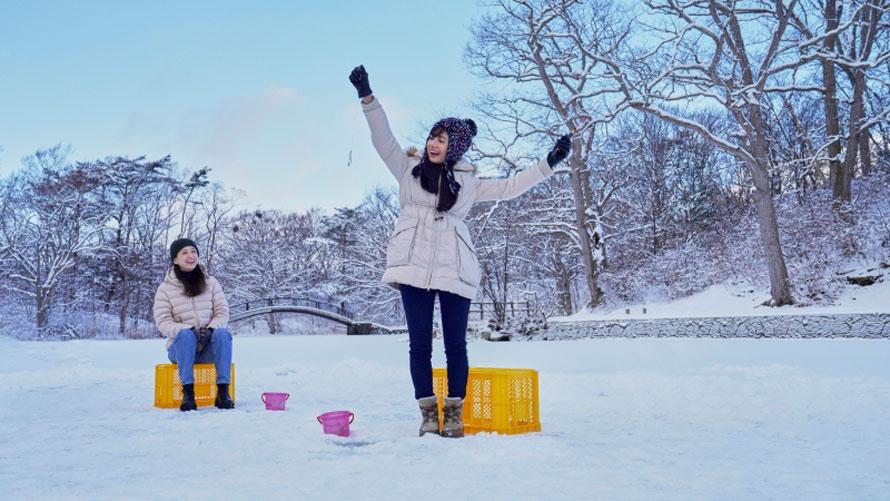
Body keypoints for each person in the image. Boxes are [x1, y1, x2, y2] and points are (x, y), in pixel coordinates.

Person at [349, 65, 571, 437]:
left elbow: (511, 187)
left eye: (443, 139)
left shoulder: (469, 183)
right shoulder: (407, 169)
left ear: (456, 147)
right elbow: (382, 138)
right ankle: (428, 414)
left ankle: (453, 413)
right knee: (419, 345)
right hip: (412, 266)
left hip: (455, 267)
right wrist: (366, 96)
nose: (434, 144)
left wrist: (549, 163)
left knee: (456, 345)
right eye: (433, 137)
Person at [153, 238, 234, 411]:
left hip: (207, 348)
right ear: (175, 259)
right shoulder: (165, 289)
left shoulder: (211, 283)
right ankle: (188, 394)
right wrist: (188, 330)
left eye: (193, 251)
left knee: (223, 334)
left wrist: (211, 328)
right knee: (185, 335)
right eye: (184, 252)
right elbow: (163, 322)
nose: (190, 256)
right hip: (180, 349)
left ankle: (223, 392)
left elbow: (222, 311)